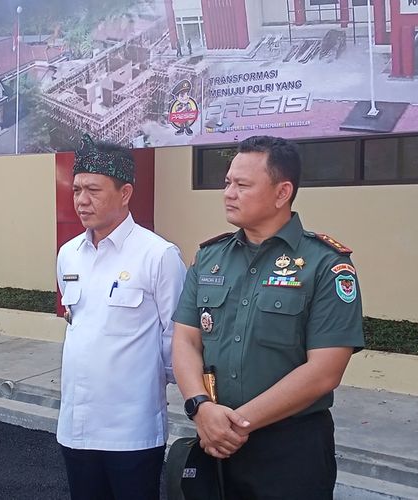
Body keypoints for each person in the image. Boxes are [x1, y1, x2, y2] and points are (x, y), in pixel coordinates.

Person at [172, 135, 364, 499]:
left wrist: (236, 424)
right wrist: (200, 408)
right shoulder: (210, 258)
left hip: (290, 451)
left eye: (242, 185)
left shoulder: (327, 265)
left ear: (282, 192)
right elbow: (185, 340)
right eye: (227, 182)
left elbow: (324, 371)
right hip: (214, 439)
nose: (229, 192)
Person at [56, 134, 187, 500]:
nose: (82, 200)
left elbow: (174, 337)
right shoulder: (69, 255)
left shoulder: (158, 256)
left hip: (132, 431)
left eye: (94, 190)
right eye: (77, 188)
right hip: (76, 427)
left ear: (125, 193)